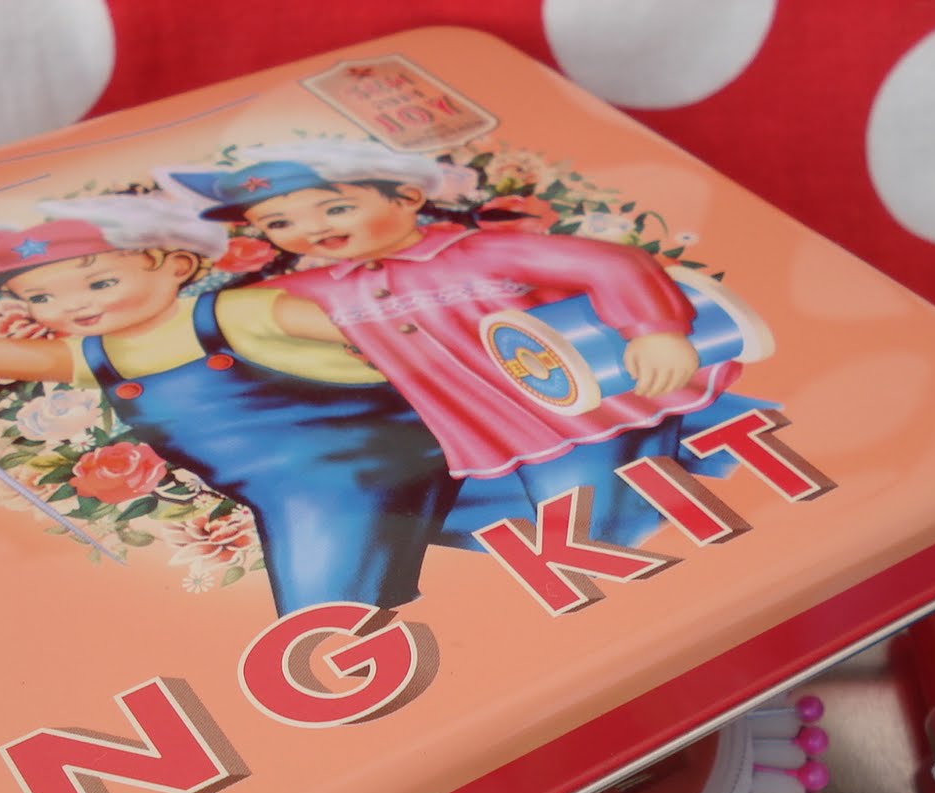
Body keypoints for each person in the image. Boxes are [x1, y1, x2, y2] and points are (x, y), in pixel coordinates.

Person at [0, 193, 488, 617]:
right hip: (292, 490)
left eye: (99, 282)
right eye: (42, 297)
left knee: (323, 622)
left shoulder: (237, 312)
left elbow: (364, 329)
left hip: (352, 473)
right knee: (510, 544)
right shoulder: (89, 356)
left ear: (174, 264)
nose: (76, 306)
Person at [163, 143, 764, 547]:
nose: (312, 229)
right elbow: (224, 315)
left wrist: (654, 330)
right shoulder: (313, 287)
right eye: (279, 224)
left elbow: (611, 262)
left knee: (590, 526)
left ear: (407, 199)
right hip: (493, 429)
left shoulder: (476, 250)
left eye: (337, 207)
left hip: (589, 405)